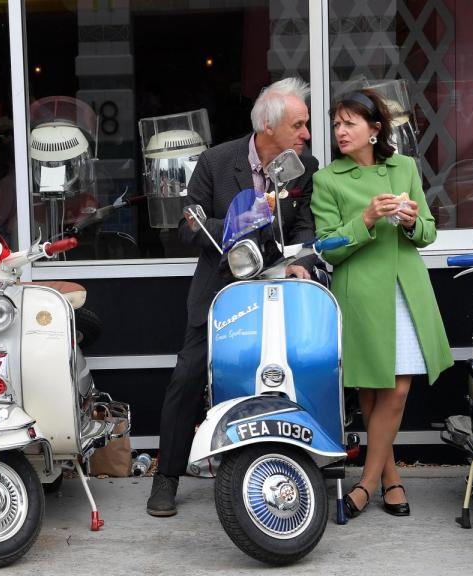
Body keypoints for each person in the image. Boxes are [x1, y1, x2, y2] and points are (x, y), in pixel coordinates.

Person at [146, 77, 318, 517]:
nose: (307, 134)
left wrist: (304, 262)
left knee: (297, 369)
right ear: (267, 126)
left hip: (281, 291)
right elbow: (188, 226)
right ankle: (166, 476)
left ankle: (303, 465)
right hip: (220, 291)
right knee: (187, 378)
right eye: (299, 125)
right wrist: (245, 218)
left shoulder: (305, 166)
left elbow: (304, 228)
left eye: (306, 126)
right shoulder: (216, 161)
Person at [311, 89, 453, 519]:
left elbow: (429, 232)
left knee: (397, 387)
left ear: (375, 130)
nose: (340, 131)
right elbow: (327, 247)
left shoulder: (405, 167)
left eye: (349, 123)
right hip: (360, 294)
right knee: (373, 390)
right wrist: (367, 219)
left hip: (404, 288)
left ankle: (366, 484)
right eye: (337, 123)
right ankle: (390, 480)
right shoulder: (328, 179)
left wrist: (412, 223)